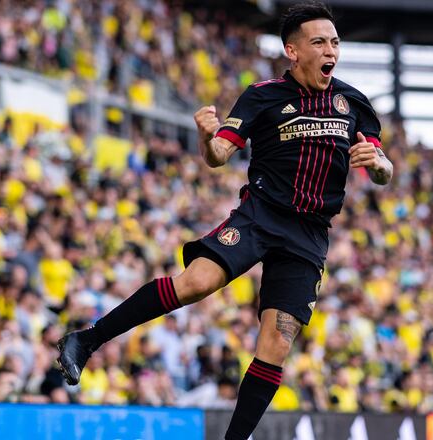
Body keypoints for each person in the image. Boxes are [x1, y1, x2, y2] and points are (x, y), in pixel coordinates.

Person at [56, 2, 393, 439]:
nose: (330, 49)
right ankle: (88, 339)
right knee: (196, 282)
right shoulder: (262, 95)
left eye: (334, 42)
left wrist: (380, 165)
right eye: (319, 42)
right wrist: (204, 135)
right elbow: (218, 155)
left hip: (310, 233)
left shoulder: (354, 105)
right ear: (293, 51)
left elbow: (381, 167)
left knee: (277, 342)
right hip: (261, 215)